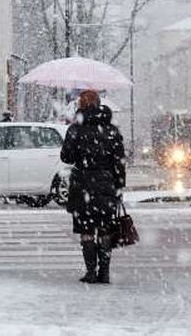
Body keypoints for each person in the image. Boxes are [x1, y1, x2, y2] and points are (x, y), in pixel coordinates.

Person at [61, 89, 126, 284]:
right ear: (99, 104)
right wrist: (119, 187)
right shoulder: (112, 130)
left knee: (87, 230)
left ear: (81, 105)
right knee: (105, 229)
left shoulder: (76, 129)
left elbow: (66, 157)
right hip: (106, 185)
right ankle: (104, 272)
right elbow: (119, 162)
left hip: (82, 185)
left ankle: (91, 272)